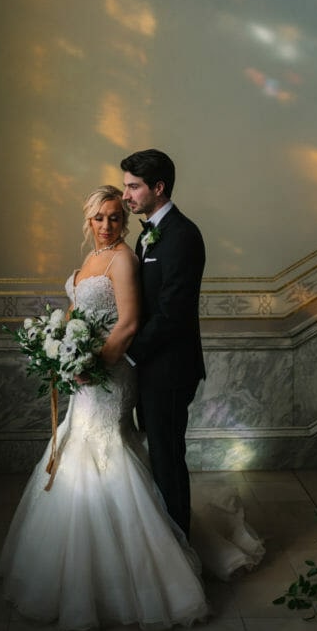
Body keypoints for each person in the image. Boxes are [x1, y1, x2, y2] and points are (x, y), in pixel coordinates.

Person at [0, 185, 211, 631]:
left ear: (124, 221)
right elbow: (78, 315)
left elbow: (130, 322)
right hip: (84, 376)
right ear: (88, 220)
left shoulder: (124, 261)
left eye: (116, 217)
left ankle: (144, 574)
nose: (108, 225)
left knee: (106, 448)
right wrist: (60, 351)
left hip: (109, 376)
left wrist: (91, 362)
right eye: (100, 217)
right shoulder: (90, 261)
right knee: (75, 446)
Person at [120, 149, 205, 540]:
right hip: (152, 367)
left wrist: (127, 354)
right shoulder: (149, 232)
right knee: (158, 456)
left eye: (134, 187)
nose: (126, 196)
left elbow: (172, 314)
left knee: (168, 459)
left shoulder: (183, 236)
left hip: (170, 369)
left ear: (159, 187)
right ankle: (165, 538)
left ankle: (180, 547)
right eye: (125, 186)